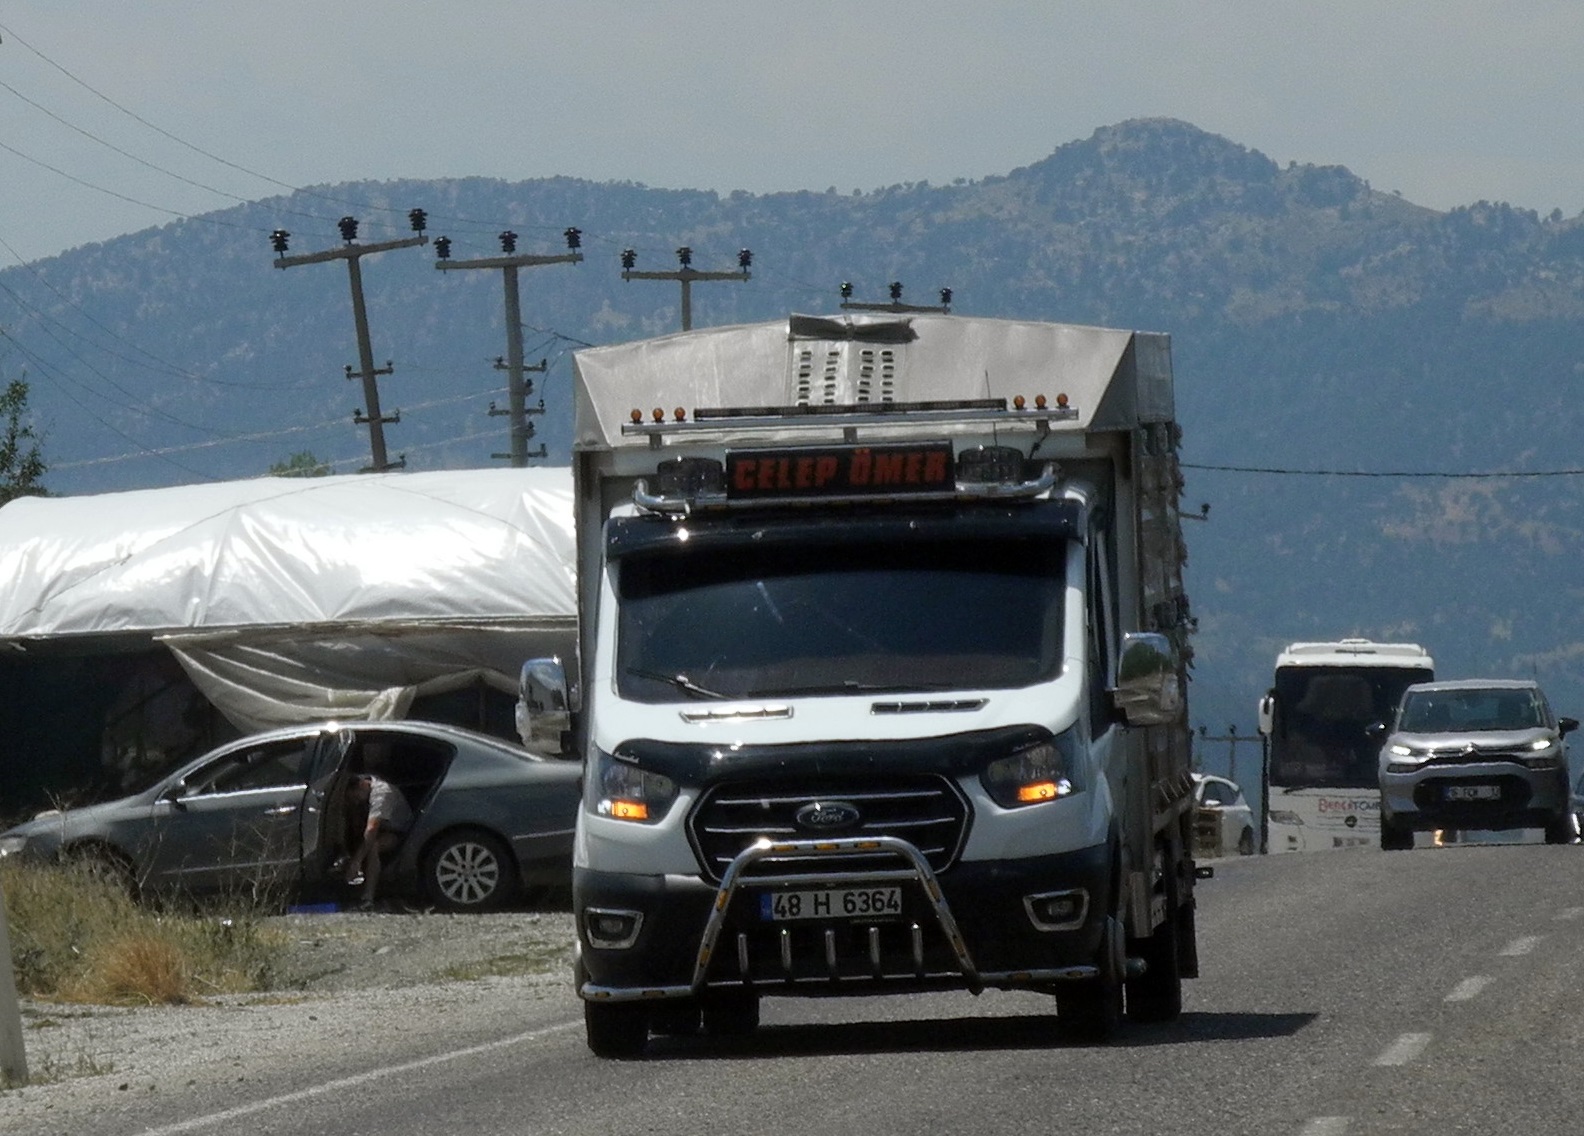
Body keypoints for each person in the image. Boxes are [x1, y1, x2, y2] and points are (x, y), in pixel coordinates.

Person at [344, 770, 413, 909]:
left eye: (356, 797)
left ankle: (368, 897)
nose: (356, 801)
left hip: (399, 831)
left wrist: (357, 860)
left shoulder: (382, 794)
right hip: (382, 828)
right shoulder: (367, 785)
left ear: (362, 785)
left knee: (373, 846)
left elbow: (372, 829)